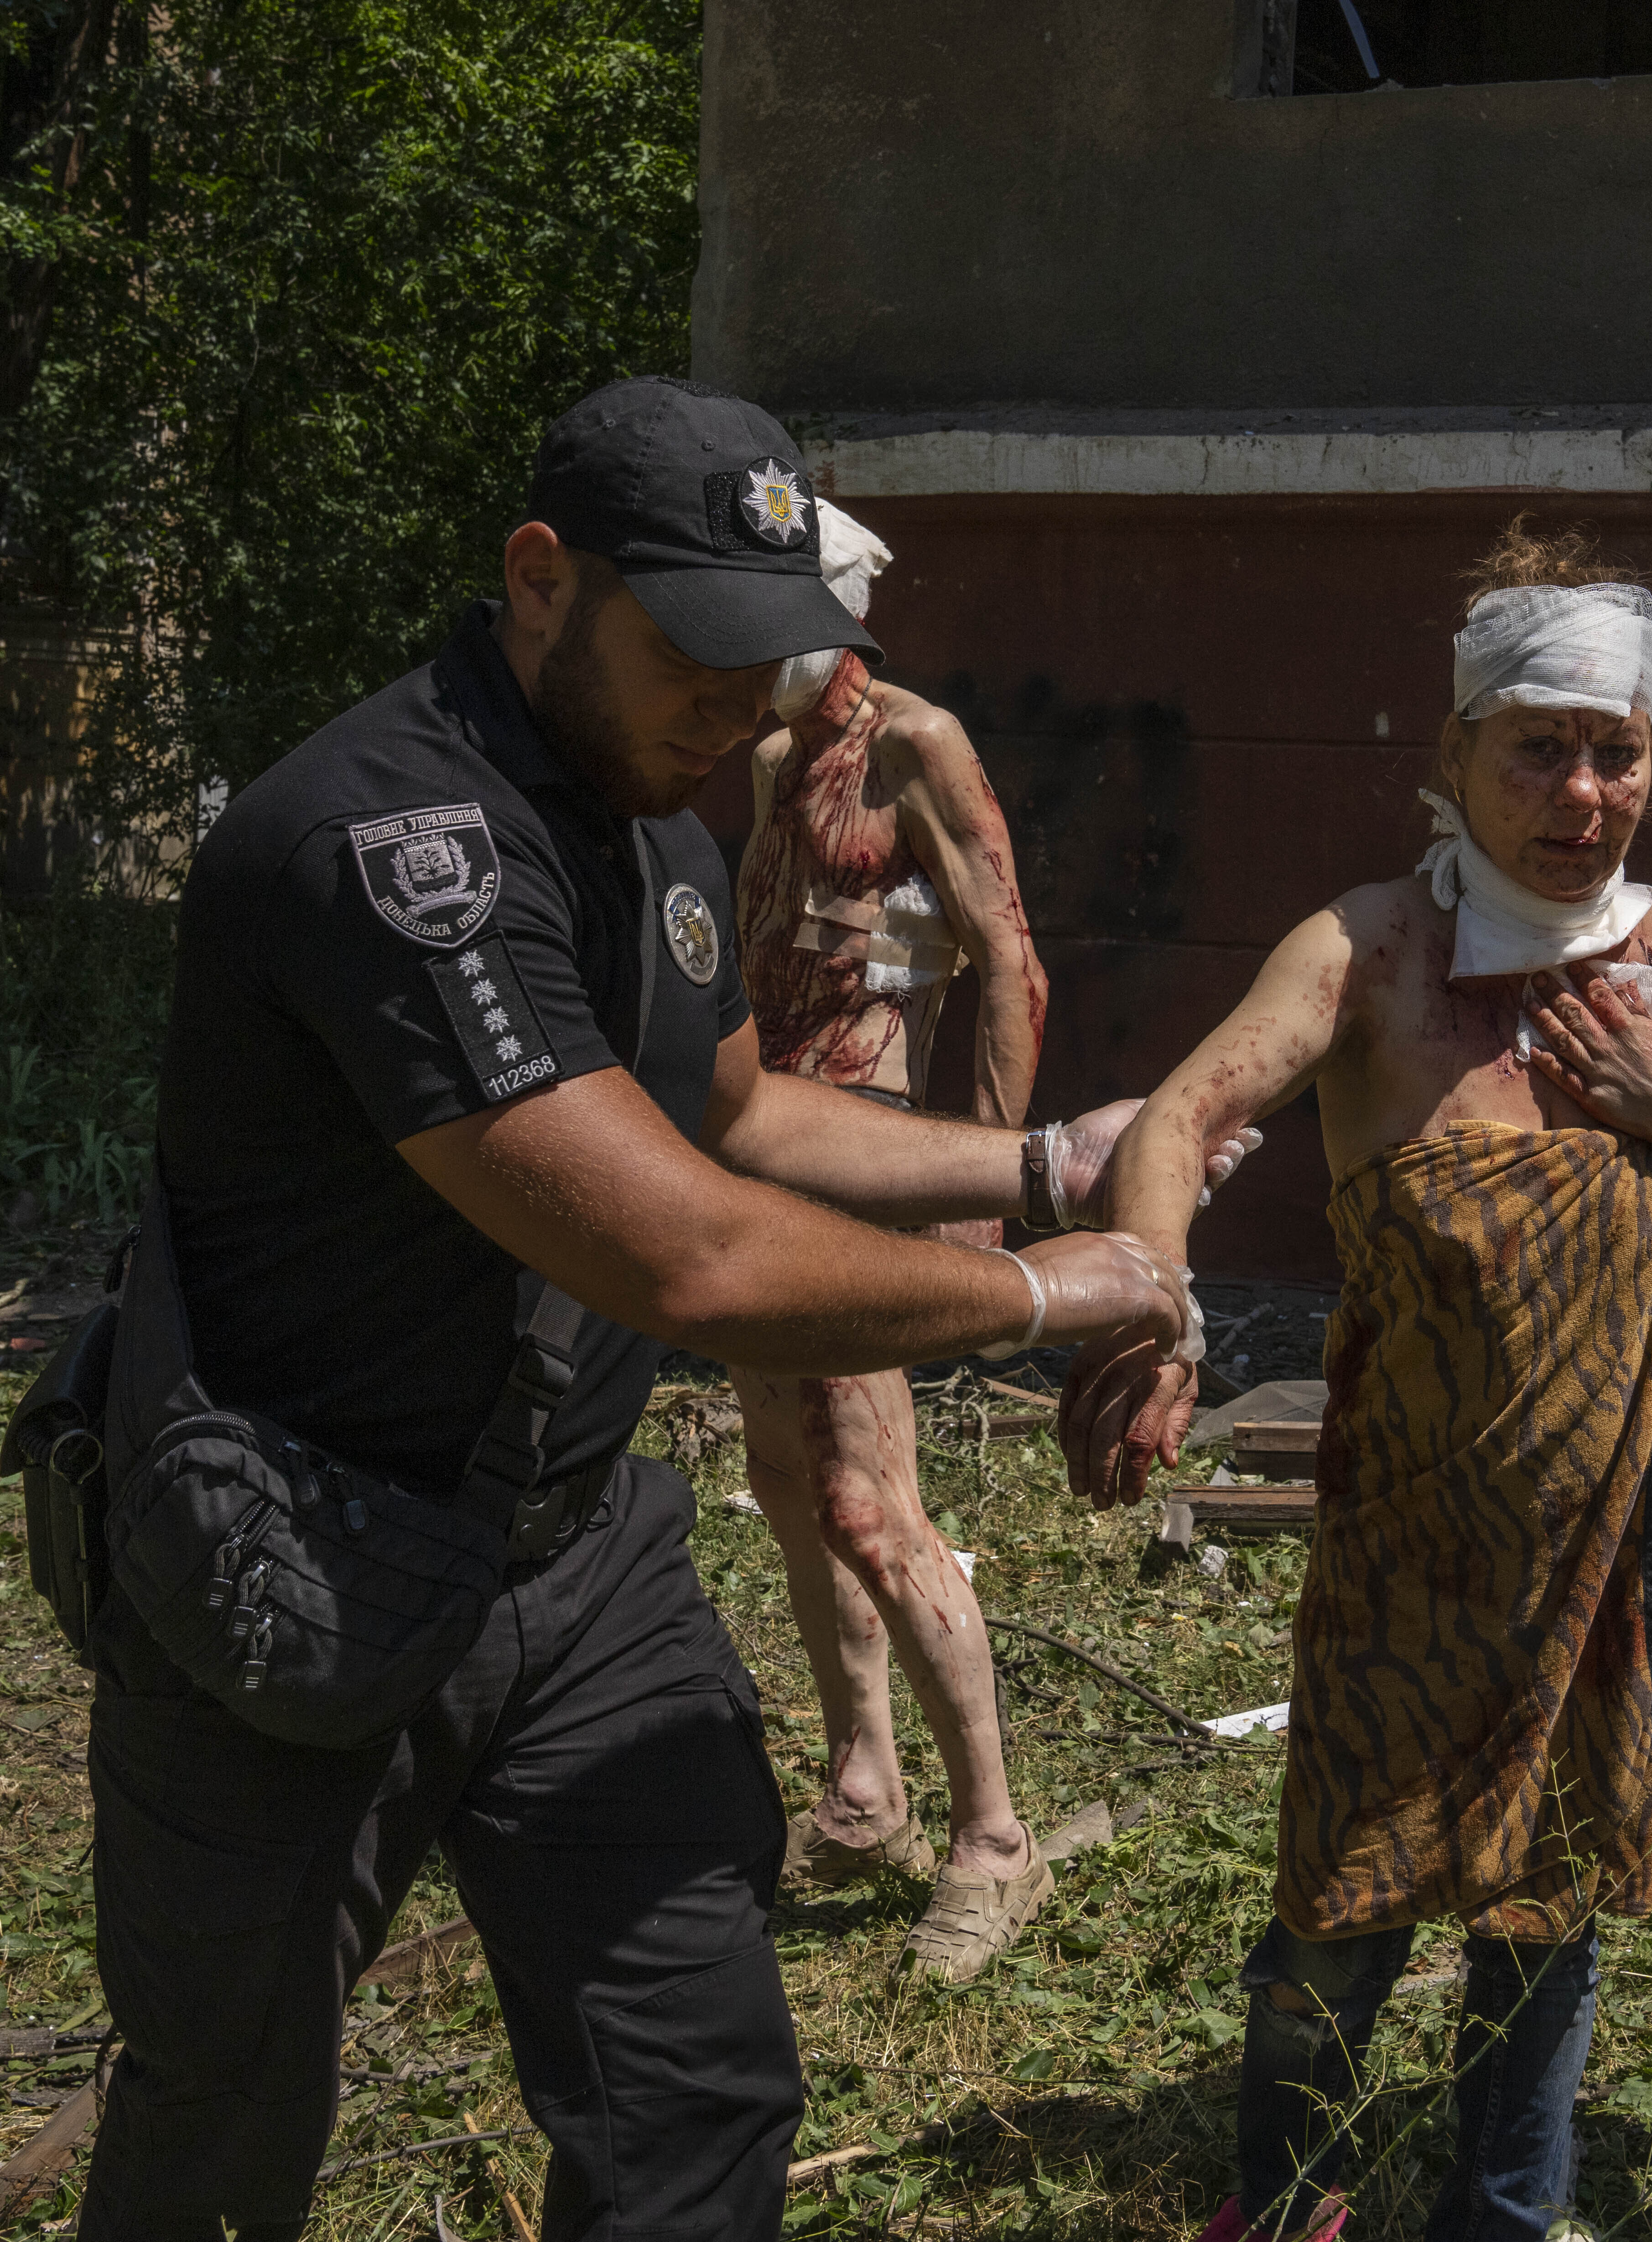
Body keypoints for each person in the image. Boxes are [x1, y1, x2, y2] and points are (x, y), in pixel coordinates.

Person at [81, 376, 1205, 2242]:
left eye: (771, 663)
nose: (734, 707)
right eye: (693, 650)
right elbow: (689, 1251)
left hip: (575, 1557)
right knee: (225, 2108)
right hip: (303, 1552)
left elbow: (742, 1113)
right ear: (540, 578)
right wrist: (1031, 1290)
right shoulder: (390, 848)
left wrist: (1034, 1164)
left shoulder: (657, 824)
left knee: (696, 2079)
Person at [1063, 523, 1652, 2242]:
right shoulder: (1372, 948)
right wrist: (1156, 1310)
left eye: (1614, 751)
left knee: (1548, 1908)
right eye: (1536, 745)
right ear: (1453, 754)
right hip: (1403, 1542)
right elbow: (1179, 1116)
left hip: (1601, 1557)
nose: (1580, 789)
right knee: (1339, 1894)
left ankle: (1503, 2209)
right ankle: (1293, 2193)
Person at [726, 497, 1100, 1979]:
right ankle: (864, 1781)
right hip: (759, 1152)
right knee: (784, 1477)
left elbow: (1007, 956)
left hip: (863, 1150)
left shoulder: (914, 746)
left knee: (871, 1498)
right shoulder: (769, 759)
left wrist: (988, 1180)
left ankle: (995, 1839)